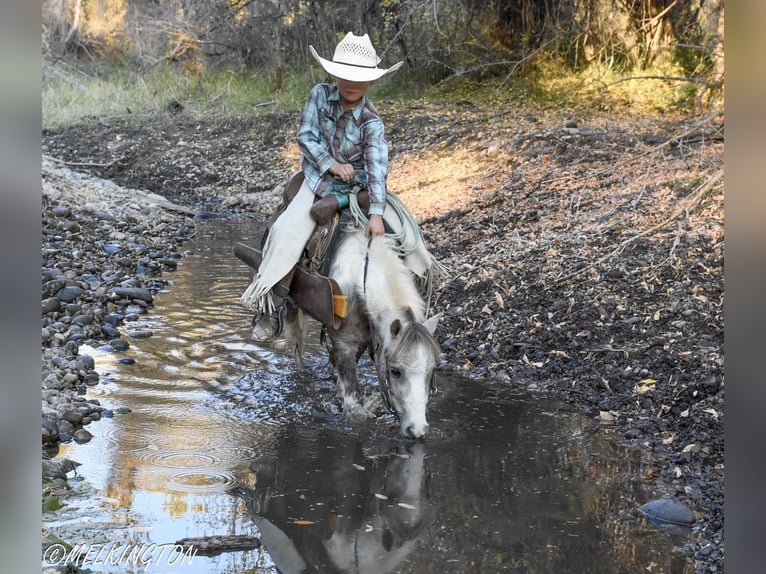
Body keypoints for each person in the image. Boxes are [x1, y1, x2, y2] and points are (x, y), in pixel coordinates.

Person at [241, 32, 403, 340]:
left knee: (407, 241)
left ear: (370, 81)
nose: (351, 83)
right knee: (287, 230)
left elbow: (377, 167)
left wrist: (377, 214)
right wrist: (331, 163)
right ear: (334, 73)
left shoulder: (371, 121)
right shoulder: (319, 94)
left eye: (359, 77)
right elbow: (306, 135)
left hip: (358, 188)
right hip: (318, 179)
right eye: (345, 75)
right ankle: (271, 304)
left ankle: (406, 311)